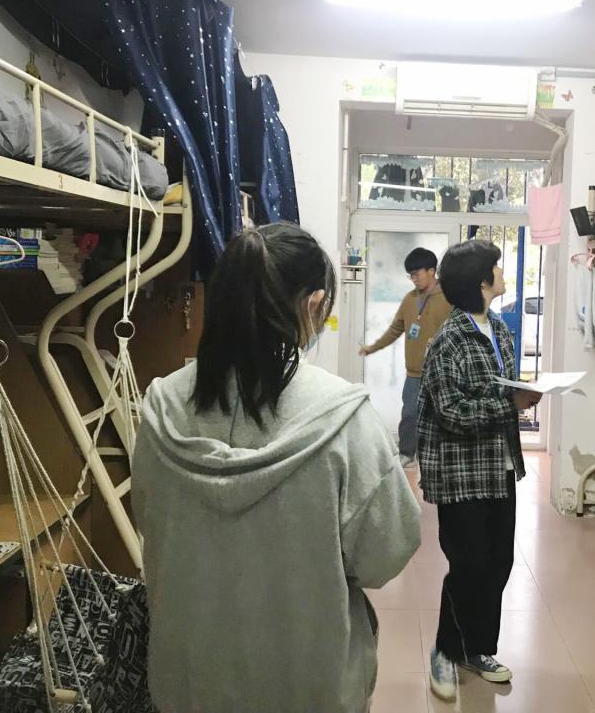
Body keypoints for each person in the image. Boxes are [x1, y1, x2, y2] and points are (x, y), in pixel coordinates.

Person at [132, 223, 421, 713]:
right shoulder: (344, 418)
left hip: (189, 681)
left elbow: (150, 520)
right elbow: (384, 555)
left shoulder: (162, 407)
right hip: (308, 685)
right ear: (312, 305)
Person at [416, 239, 543, 702]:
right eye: (497, 268)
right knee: (467, 564)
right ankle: (445, 651)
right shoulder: (447, 342)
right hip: (461, 473)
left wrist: (525, 393)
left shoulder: (501, 330)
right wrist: (510, 404)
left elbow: (501, 389)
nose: (503, 274)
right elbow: (452, 412)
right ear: (481, 281)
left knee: (498, 563)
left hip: (499, 466)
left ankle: (478, 649)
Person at [360, 247, 451, 468]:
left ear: (432, 271)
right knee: (409, 413)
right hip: (415, 373)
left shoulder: (450, 297)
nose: (413, 279)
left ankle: (441, 457)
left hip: (443, 372)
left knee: (444, 416)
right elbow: (395, 329)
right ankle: (407, 453)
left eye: (416, 274)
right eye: (410, 275)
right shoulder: (410, 299)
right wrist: (373, 348)